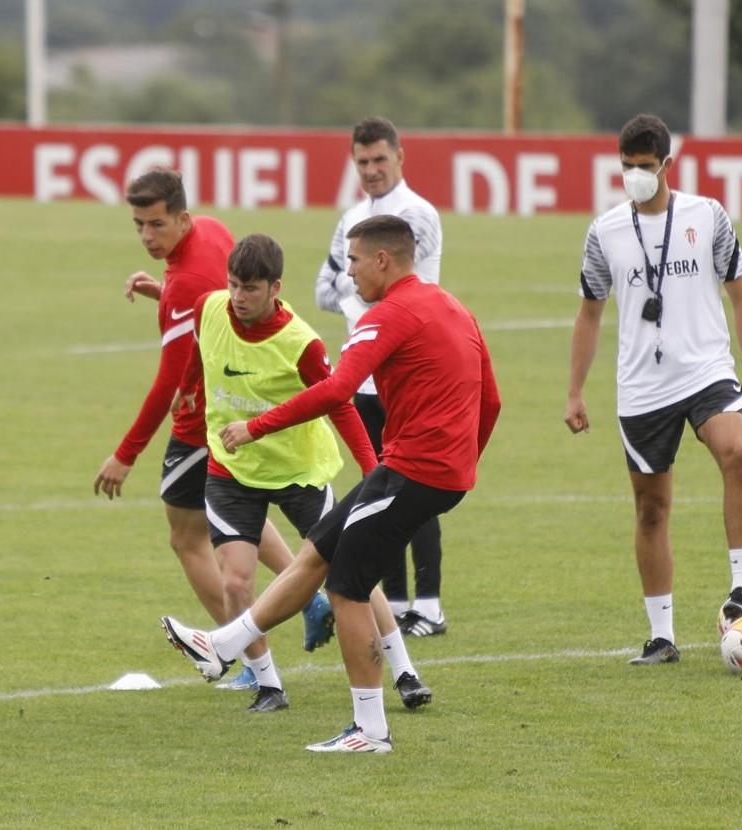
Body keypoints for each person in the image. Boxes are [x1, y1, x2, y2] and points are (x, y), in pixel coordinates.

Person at [164, 215, 501, 753]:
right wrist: (464, 465)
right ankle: (221, 644)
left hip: (411, 468)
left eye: (354, 261)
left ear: (383, 260)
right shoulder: (455, 306)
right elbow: (493, 400)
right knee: (318, 553)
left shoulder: (386, 315)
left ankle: (369, 730)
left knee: (347, 583)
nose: (349, 273)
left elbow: (338, 389)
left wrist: (254, 426)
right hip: (432, 471)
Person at [92, 168, 332, 695]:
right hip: (233, 412)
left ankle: (247, 656)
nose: (146, 237)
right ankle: (308, 596)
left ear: (180, 217)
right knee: (230, 522)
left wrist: (125, 454)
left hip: (208, 424)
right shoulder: (211, 231)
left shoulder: (185, 285)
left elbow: (168, 383)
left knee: (187, 537)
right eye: (138, 225)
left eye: (156, 225)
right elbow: (211, 303)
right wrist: (165, 296)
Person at [564, 113, 742, 666]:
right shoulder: (604, 231)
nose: (635, 177)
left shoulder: (708, 216)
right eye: (626, 168)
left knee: (739, 454)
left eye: (645, 168)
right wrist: (575, 392)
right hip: (641, 386)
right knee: (652, 507)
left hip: (705, 370)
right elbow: (589, 313)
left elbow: (741, 295)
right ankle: (661, 635)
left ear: (667, 165)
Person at [172, 232, 379, 713]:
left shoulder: (301, 342)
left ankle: (404, 668)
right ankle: (267, 684)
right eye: (233, 286)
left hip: (299, 470)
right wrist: (186, 389)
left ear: (275, 288)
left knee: (348, 570)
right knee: (236, 581)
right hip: (233, 466)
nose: (238, 298)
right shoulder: (210, 308)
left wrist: (373, 471)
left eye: (250, 288)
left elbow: (339, 405)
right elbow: (199, 355)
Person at [315, 116, 449, 637]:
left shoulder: (418, 214)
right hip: (363, 371)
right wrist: (358, 291)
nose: (371, 171)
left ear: (399, 157)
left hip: (407, 369)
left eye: (379, 160)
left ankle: (430, 603)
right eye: (362, 162)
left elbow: (401, 285)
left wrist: (356, 294)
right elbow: (322, 288)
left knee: (415, 483)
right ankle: (395, 600)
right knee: (378, 484)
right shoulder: (352, 216)